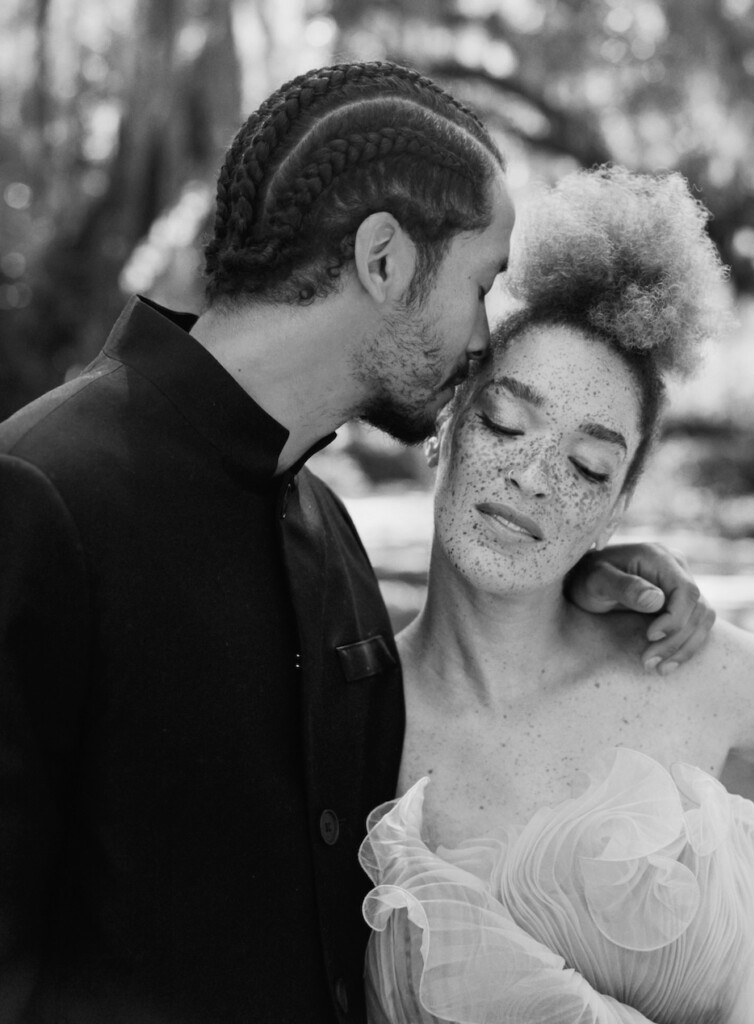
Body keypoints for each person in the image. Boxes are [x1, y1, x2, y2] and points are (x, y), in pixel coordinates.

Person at [0, 63, 714, 1024]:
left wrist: (568, 583)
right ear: (384, 260)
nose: (482, 337)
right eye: (480, 282)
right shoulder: (41, 492)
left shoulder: (324, 534)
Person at [360, 167, 754, 1023]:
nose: (534, 478)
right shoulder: (349, 712)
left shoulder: (686, 666)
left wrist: (743, 965)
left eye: (587, 465)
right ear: (447, 426)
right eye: (506, 424)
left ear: (616, 507)